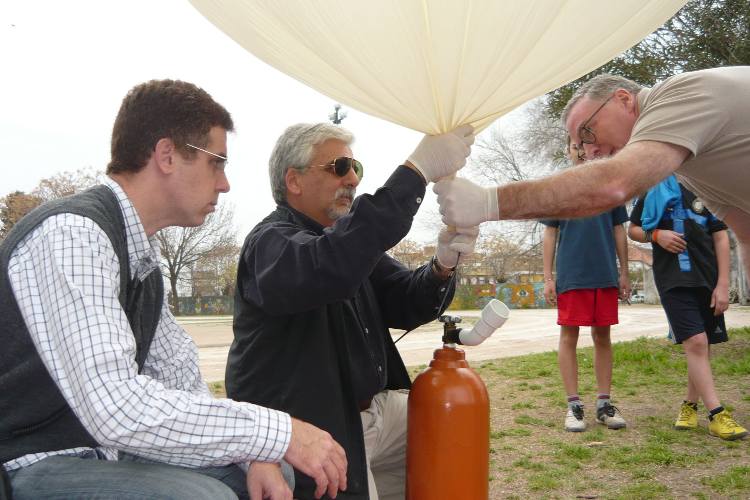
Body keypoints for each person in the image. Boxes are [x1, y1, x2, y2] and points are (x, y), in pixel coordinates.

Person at [0, 80, 348, 500]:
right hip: (30, 460)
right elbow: (117, 407)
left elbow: (179, 375)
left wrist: (254, 449)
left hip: (101, 451)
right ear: (166, 156)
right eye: (216, 162)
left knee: (263, 474)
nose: (225, 184)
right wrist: (278, 432)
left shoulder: (139, 258)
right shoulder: (74, 235)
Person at [225, 123, 477, 499]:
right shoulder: (270, 244)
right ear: (293, 180)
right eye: (340, 166)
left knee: (452, 427)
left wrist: (442, 265)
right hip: (317, 427)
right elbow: (330, 267)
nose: (353, 179)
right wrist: (417, 171)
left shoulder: (346, 246)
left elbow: (408, 300)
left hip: (375, 411)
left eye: (357, 168)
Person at [432, 67, 750, 280]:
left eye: (588, 132)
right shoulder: (688, 163)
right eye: (581, 148)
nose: (590, 152)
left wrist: (489, 202)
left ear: (624, 99)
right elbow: (747, 233)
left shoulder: (679, 94)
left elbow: (612, 184)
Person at [628, 176, 747, 440]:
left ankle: (690, 405)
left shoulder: (706, 182)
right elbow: (633, 229)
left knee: (701, 346)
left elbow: (720, 237)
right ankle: (717, 414)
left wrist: (723, 284)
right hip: (673, 279)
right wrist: (657, 235)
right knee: (695, 341)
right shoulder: (653, 186)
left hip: (708, 279)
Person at [542, 139, 630, 432]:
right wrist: (548, 277)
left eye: (586, 143)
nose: (581, 150)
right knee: (569, 336)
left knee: (602, 337)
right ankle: (573, 405)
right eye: (574, 144)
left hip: (604, 274)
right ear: (567, 149)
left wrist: (624, 271)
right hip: (572, 276)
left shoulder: (612, 185)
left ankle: (604, 405)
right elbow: (550, 234)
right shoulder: (559, 186)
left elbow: (619, 230)